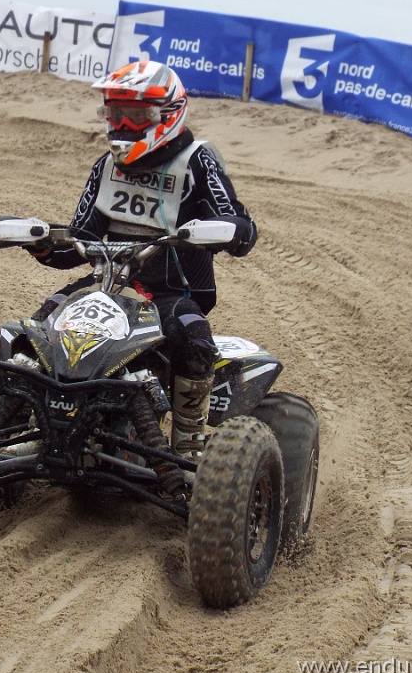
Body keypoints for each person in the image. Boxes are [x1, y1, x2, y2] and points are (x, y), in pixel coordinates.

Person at [28, 60, 258, 456]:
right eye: (116, 114)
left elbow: (240, 225)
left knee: (192, 334)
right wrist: (46, 244)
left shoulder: (197, 161)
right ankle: (28, 422)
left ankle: (188, 443)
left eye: (136, 116)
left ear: (168, 114)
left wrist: (226, 231)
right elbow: (81, 237)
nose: (123, 124)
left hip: (170, 291)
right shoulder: (107, 165)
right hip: (109, 285)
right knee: (43, 324)